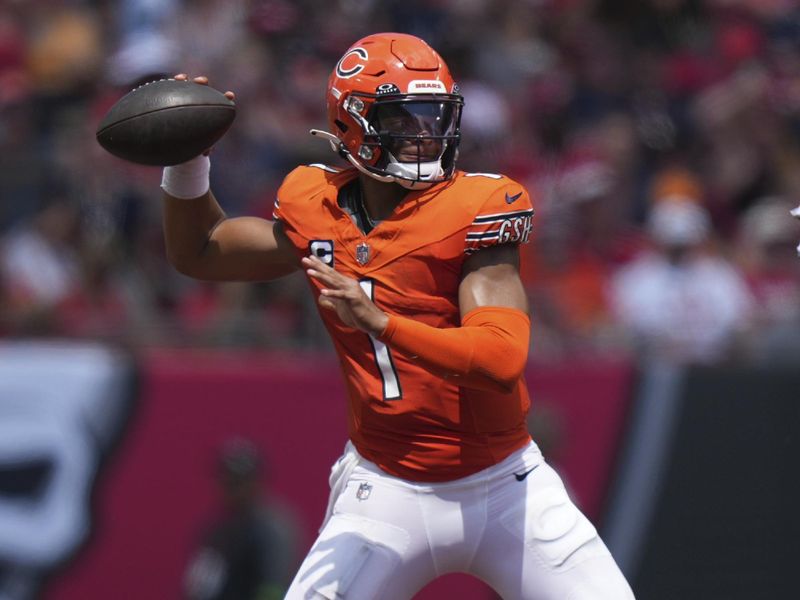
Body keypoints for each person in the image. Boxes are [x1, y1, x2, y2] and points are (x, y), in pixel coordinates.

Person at [161, 33, 634, 599]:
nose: (423, 135)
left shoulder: (478, 205)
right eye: (404, 118)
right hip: (385, 488)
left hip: (506, 485)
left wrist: (382, 322)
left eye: (434, 116)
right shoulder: (316, 205)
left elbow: (501, 358)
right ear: (351, 124)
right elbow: (203, 250)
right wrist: (187, 158)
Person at [183, 438, 299, 600]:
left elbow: (274, 588)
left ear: (256, 481)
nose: (230, 487)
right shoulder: (216, 529)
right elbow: (198, 587)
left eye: (238, 481)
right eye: (226, 479)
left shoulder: (272, 530)